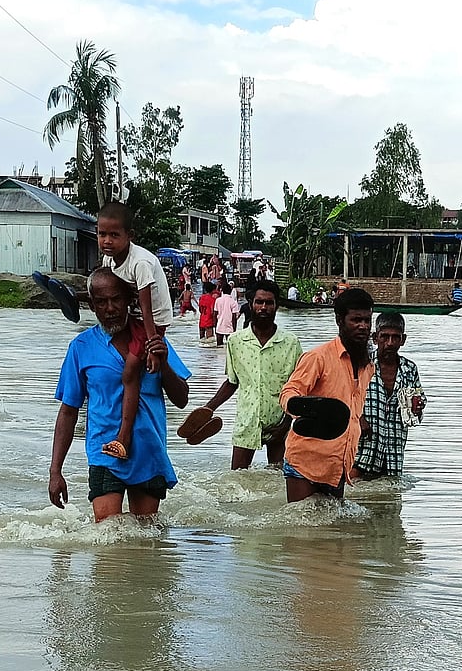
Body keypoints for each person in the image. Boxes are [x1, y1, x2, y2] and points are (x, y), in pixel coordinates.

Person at [48, 268, 191, 522]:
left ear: (129, 300)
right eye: (101, 302)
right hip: (104, 451)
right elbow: (69, 411)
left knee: (146, 537)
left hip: (149, 450)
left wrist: (164, 363)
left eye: (116, 299)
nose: (110, 308)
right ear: (92, 306)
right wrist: (55, 471)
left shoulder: (153, 339)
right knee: (107, 534)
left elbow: (181, 399)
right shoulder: (81, 347)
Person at [190, 281, 302, 470]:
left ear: (277, 306)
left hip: (279, 422)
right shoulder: (236, 341)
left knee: (278, 481)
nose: (263, 307)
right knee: (237, 478)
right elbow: (232, 382)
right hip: (247, 420)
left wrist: (287, 422)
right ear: (251, 305)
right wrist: (208, 409)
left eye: (269, 303)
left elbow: (299, 387)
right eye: (259, 302)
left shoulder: (291, 343)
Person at [278, 288, 375, 502]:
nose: (363, 326)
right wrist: (307, 409)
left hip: (338, 464)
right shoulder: (318, 358)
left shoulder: (368, 366)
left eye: (367, 320)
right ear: (340, 320)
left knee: (330, 533)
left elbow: (352, 405)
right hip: (305, 462)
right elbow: (289, 392)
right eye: (356, 320)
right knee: (300, 531)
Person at [96, 202, 174, 460]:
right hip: (133, 313)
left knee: (130, 371)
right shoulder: (109, 258)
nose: (107, 241)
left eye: (114, 235)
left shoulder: (140, 262)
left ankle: (123, 438)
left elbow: (146, 306)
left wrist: (152, 345)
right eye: (101, 234)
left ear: (130, 236)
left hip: (151, 318)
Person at [353, 312, 426, 480]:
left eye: (395, 337)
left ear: (403, 340)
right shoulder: (361, 364)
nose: (390, 343)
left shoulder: (410, 369)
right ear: (375, 338)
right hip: (362, 447)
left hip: (393, 449)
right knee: (353, 489)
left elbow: (416, 408)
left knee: (390, 499)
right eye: (384, 337)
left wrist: (418, 407)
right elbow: (343, 397)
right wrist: (359, 418)